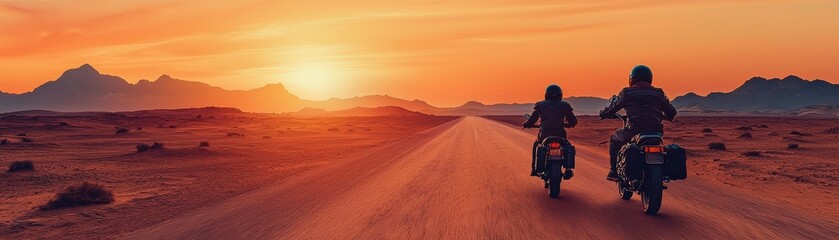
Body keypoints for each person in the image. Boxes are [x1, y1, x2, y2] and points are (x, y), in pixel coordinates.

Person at [599, 65, 677, 181]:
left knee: (615, 138)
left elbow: (613, 108)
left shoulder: (627, 92)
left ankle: (614, 171)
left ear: (632, 78)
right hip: (656, 131)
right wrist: (667, 116)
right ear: (650, 78)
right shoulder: (658, 93)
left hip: (633, 131)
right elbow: (671, 112)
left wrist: (604, 113)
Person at [523, 84, 577, 178]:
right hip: (560, 134)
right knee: (567, 146)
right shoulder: (565, 105)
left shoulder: (540, 105)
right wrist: (569, 124)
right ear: (560, 94)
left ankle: (534, 169)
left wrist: (527, 124)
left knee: (537, 144)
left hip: (544, 134)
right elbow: (573, 121)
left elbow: (533, 119)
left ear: (546, 94)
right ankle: (568, 170)